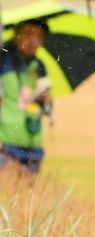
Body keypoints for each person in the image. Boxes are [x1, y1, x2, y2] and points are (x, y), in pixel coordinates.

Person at [0, 19, 52, 176]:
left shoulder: (40, 67)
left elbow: (47, 108)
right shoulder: (3, 61)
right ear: (17, 34)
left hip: (33, 144)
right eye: (29, 34)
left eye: (38, 37)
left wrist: (46, 101)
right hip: (6, 143)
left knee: (28, 198)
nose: (33, 41)